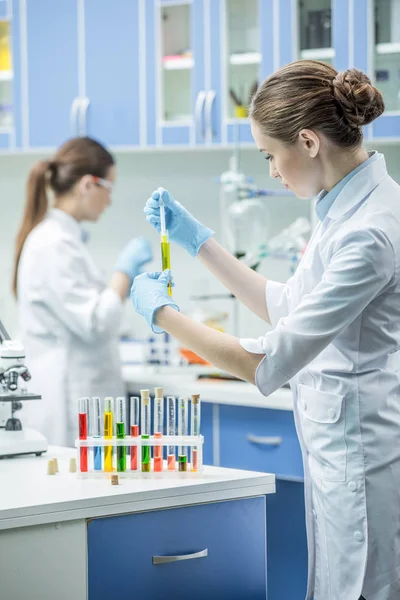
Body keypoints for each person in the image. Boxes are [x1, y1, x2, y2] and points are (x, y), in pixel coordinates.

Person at [132, 60, 400, 600]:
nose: (272, 172)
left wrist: (164, 316)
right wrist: (200, 242)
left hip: (362, 459)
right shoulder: (340, 211)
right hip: (338, 451)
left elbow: (267, 363)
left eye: (270, 156)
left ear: (307, 142)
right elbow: (286, 306)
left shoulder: (370, 232)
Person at [13, 136, 152, 447]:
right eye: (109, 188)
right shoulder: (54, 244)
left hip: (77, 395)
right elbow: (95, 324)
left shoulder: (63, 239)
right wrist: (122, 275)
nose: (110, 200)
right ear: (88, 184)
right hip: (67, 401)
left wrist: (124, 288)